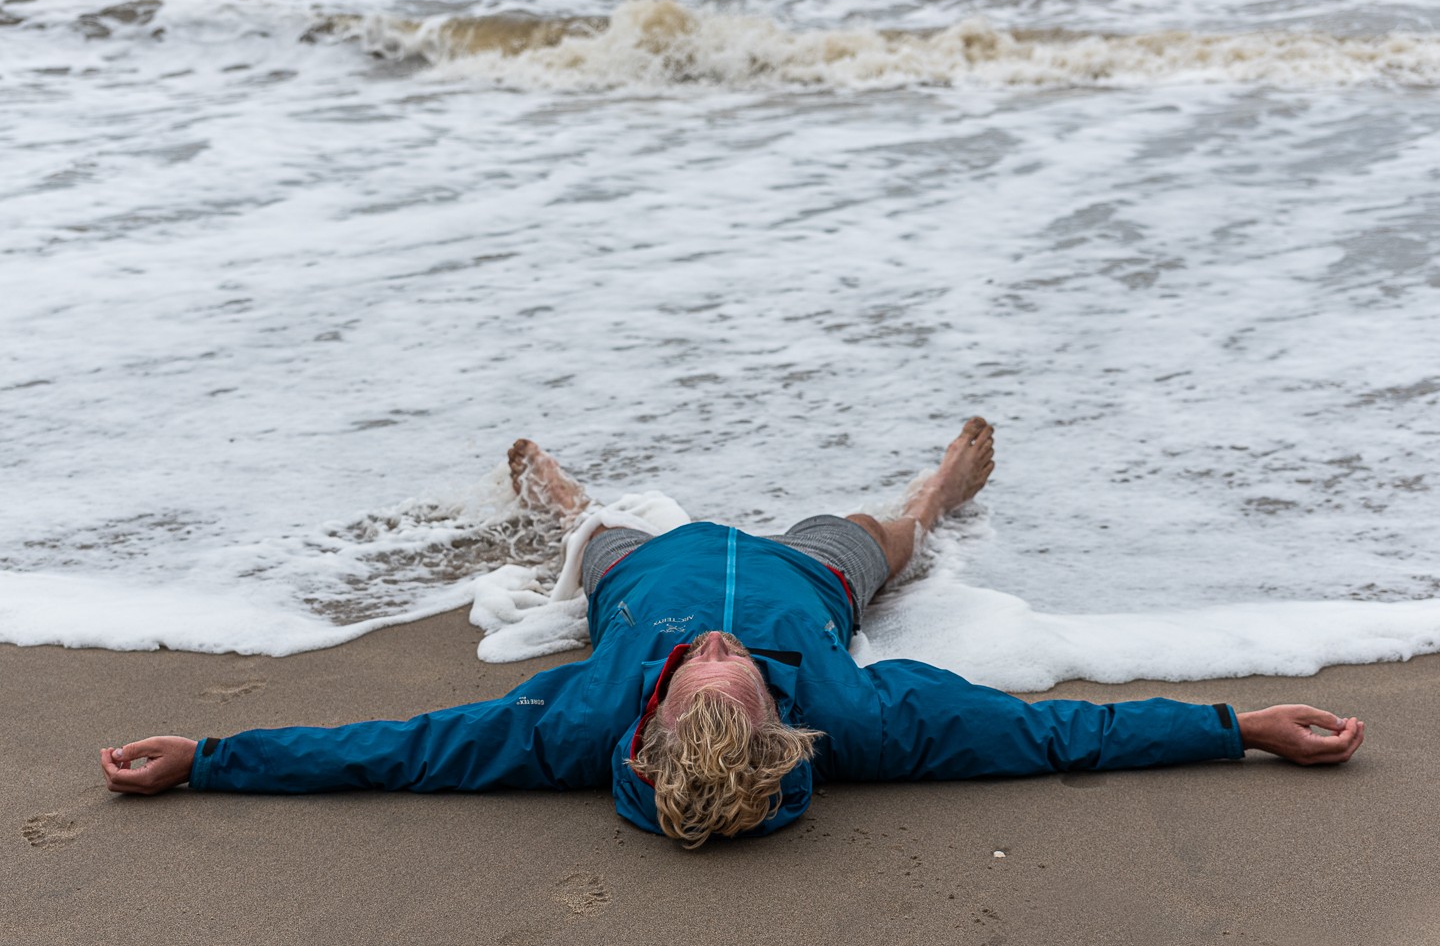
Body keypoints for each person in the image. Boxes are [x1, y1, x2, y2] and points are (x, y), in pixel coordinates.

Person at [101, 418, 1365, 847]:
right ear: (791, 729)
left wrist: (210, 756)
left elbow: (394, 750)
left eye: (711, 673)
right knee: (887, 529)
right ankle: (934, 487)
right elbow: (1057, 737)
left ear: (646, 726)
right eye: (734, 678)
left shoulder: (576, 723)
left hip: (636, 568)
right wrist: (1237, 725)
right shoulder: (865, 723)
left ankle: (562, 488)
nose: (720, 656)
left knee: (589, 524)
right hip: (809, 574)